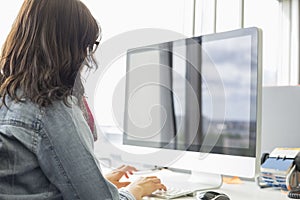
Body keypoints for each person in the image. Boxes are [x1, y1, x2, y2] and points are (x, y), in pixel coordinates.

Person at [0, 0, 166, 199]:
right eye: (88, 45)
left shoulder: (9, 97)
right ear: (70, 47)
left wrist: (98, 181)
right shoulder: (50, 108)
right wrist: (135, 190)